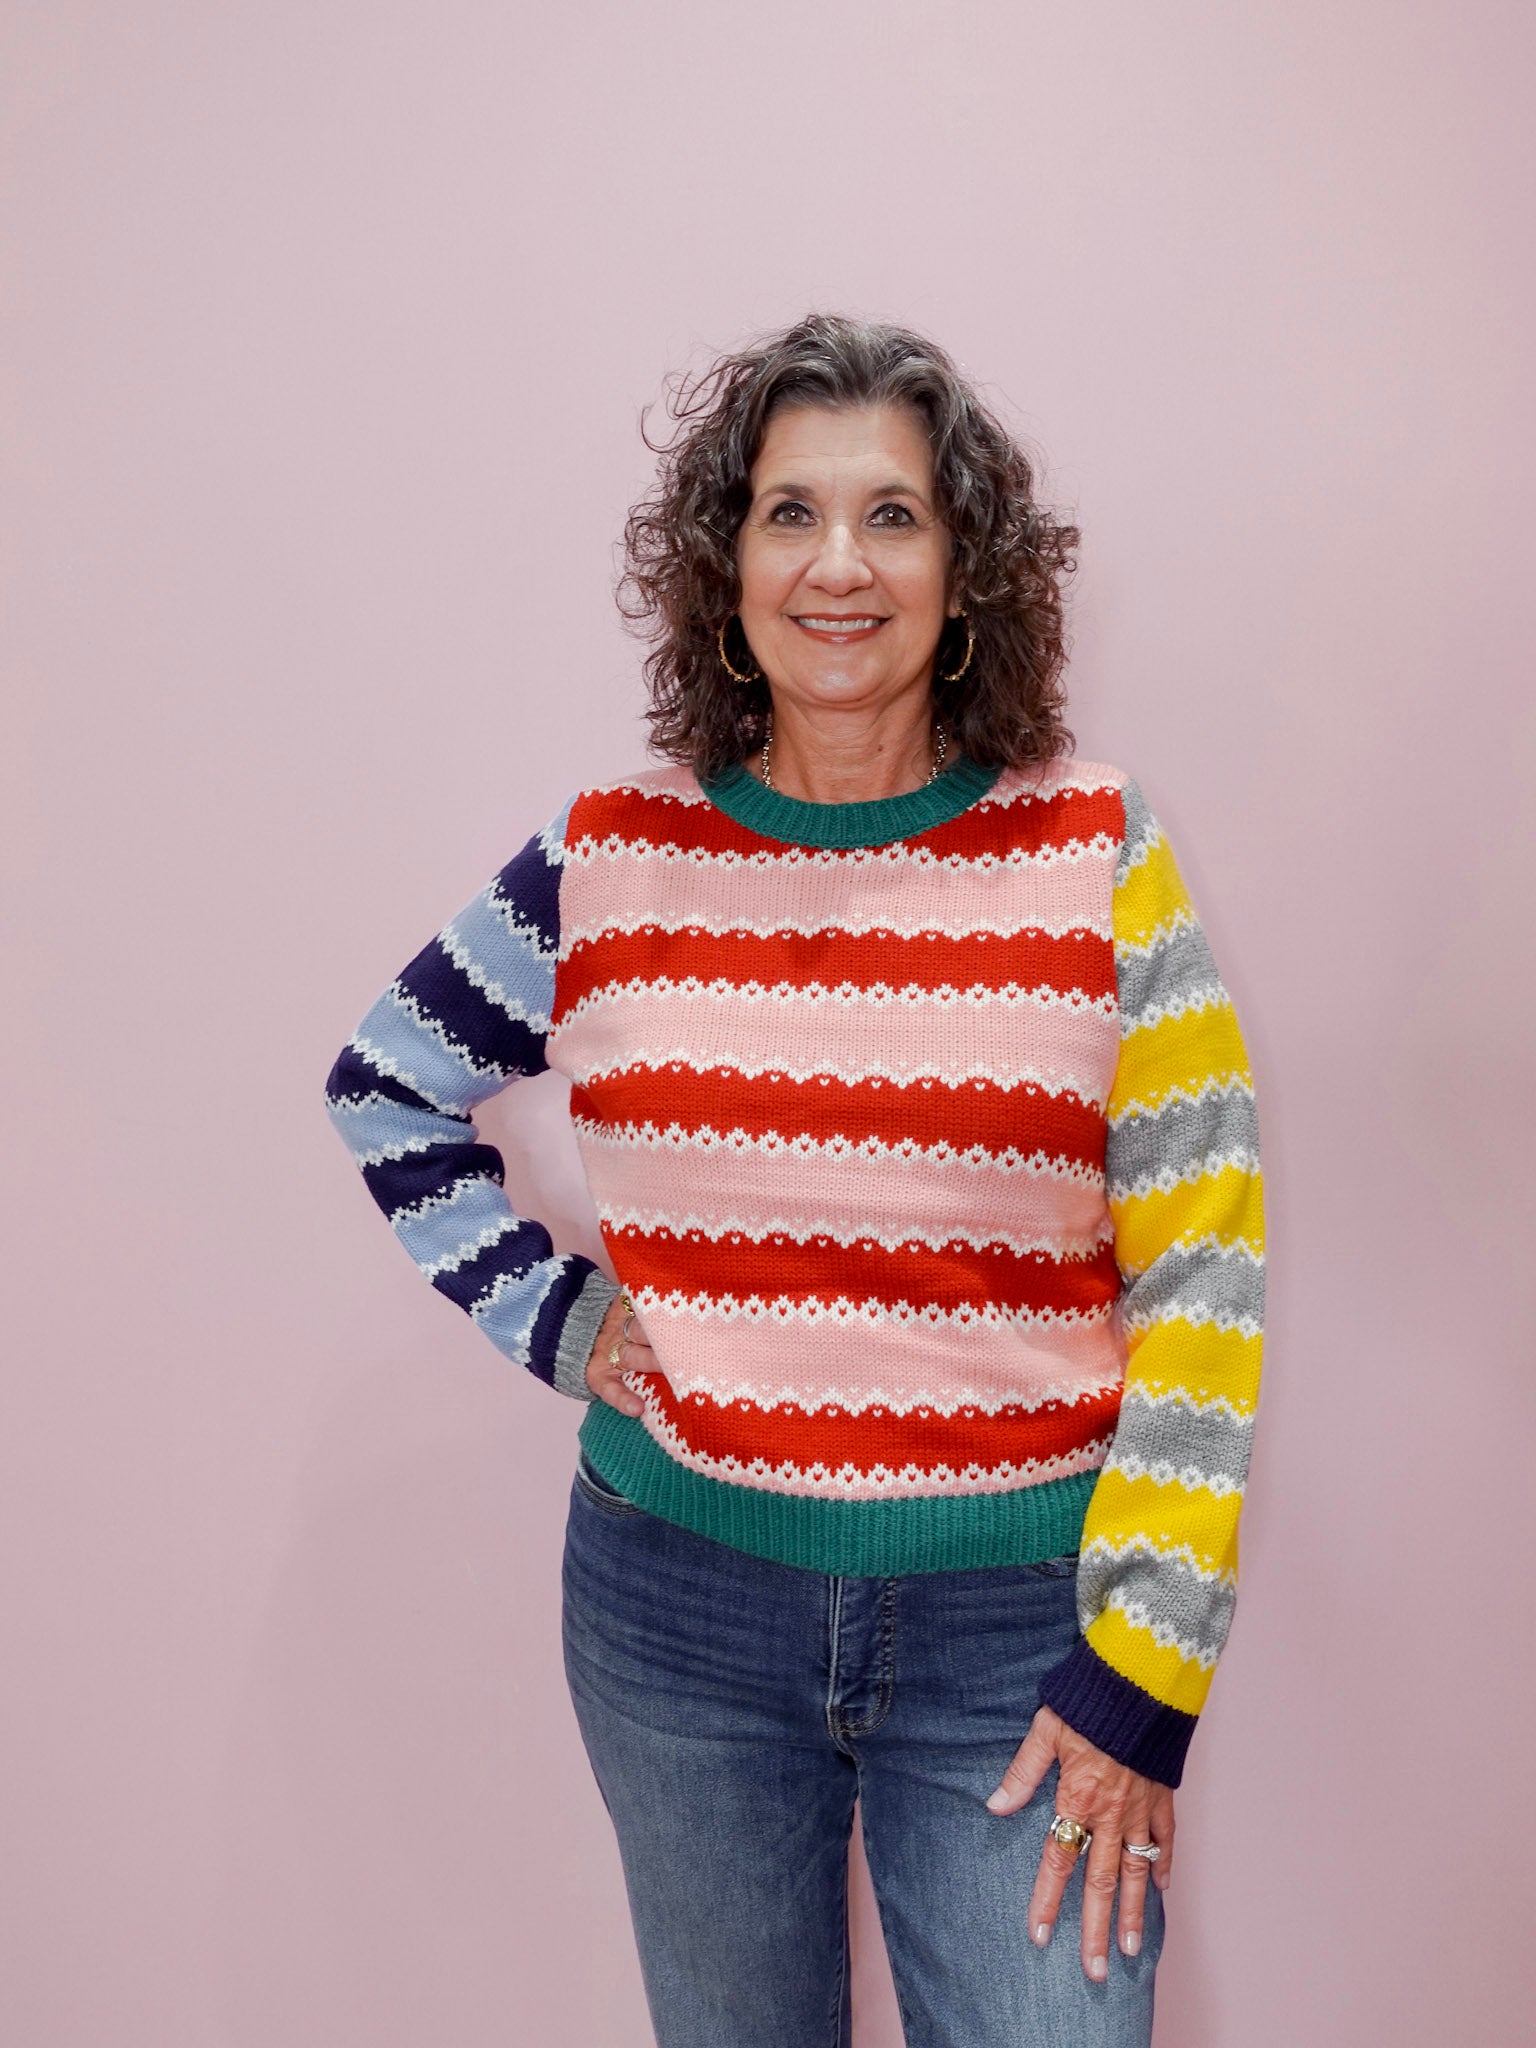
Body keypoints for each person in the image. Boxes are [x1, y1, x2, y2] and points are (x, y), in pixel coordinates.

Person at [324, 313, 1266, 2048]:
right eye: (790, 514)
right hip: (676, 1611)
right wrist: (562, 1321)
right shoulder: (608, 855)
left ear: (966, 575)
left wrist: (1148, 1659)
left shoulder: (1095, 848)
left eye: (894, 515)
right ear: (728, 570)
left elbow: (1205, 1265)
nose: (841, 564)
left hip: (1020, 1633)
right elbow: (387, 1085)